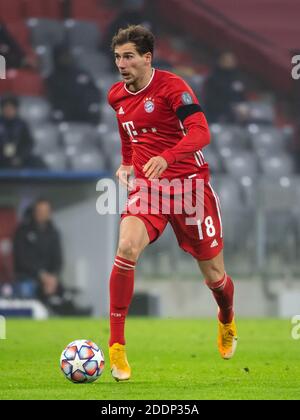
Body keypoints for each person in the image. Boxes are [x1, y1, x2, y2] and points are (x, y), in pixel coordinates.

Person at [107, 25, 237, 382]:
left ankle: (226, 317)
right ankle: (116, 346)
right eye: (118, 57)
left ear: (147, 58)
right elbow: (127, 131)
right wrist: (127, 162)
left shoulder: (172, 87)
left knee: (214, 276)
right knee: (126, 246)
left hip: (190, 187)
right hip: (150, 189)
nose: (122, 64)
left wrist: (167, 156)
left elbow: (201, 132)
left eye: (129, 56)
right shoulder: (116, 96)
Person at [13, 198, 86, 315]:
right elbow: (22, 260)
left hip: (50, 279)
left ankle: (72, 313)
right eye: (39, 210)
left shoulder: (53, 233)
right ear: (34, 212)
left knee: (62, 293)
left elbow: (58, 260)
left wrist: (53, 277)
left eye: (45, 211)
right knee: (39, 291)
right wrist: (42, 275)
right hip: (29, 277)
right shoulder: (22, 232)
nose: (42, 214)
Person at [46, 45, 102, 124]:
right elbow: (53, 99)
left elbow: (95, 92)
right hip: (65, 115)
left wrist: (90, 104)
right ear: (57, 58)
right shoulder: (52, 78)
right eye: (63, 56)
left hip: (85, 113)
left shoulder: (83, 74)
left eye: (68, 55)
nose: (66, 58)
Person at [0, 96, 45, 169]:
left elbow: (28, 143)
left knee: (37, 162)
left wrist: (20, 157)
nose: (8, 110)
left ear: (16, 109)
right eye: (6, 108)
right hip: (1, 159)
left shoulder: (22, 124)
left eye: (11, 108)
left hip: (19, 158)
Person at [204, 51, 246, 123]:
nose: (229, 62)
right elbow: (210, 100)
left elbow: (241, 96)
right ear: (220, 61)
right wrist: (231, 108)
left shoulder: (238, 78)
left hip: (236, 113)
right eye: (227, 60)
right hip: (216, 113)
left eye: (231, 60)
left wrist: (243, 106)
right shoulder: (213, 79)